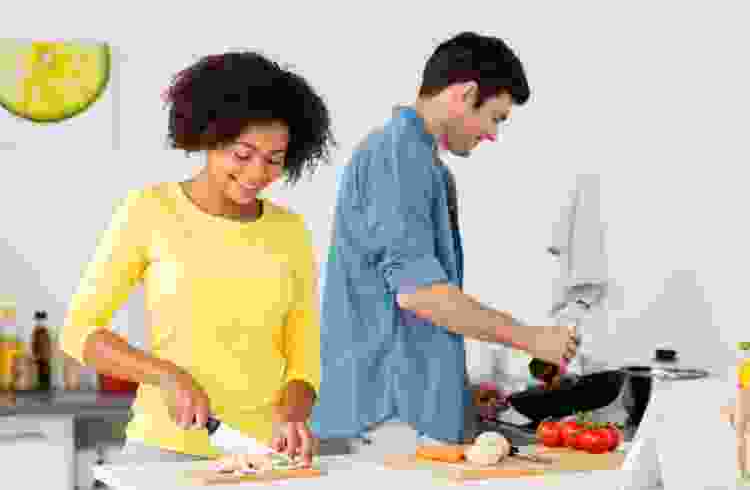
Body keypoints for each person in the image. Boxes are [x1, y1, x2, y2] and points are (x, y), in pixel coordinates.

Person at [60, 50, 335, 469]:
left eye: (275, 159)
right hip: (164, 451)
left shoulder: (289, 230)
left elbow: (303, 356)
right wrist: (166, 375)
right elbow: (80, 332)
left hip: (262, 459)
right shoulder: (149, 210)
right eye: (243, 155)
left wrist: (293, 412)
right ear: (208, 136)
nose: (259, 172)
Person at [310, 31, 578, 459]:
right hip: (391, 415)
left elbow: (407, 304)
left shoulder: (420, 162)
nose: (493, 135)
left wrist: (456, 387)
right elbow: (420, 293)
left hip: (404, 409)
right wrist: (531, 338)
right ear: (466, 93)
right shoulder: (400, 157)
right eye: (496, 117)